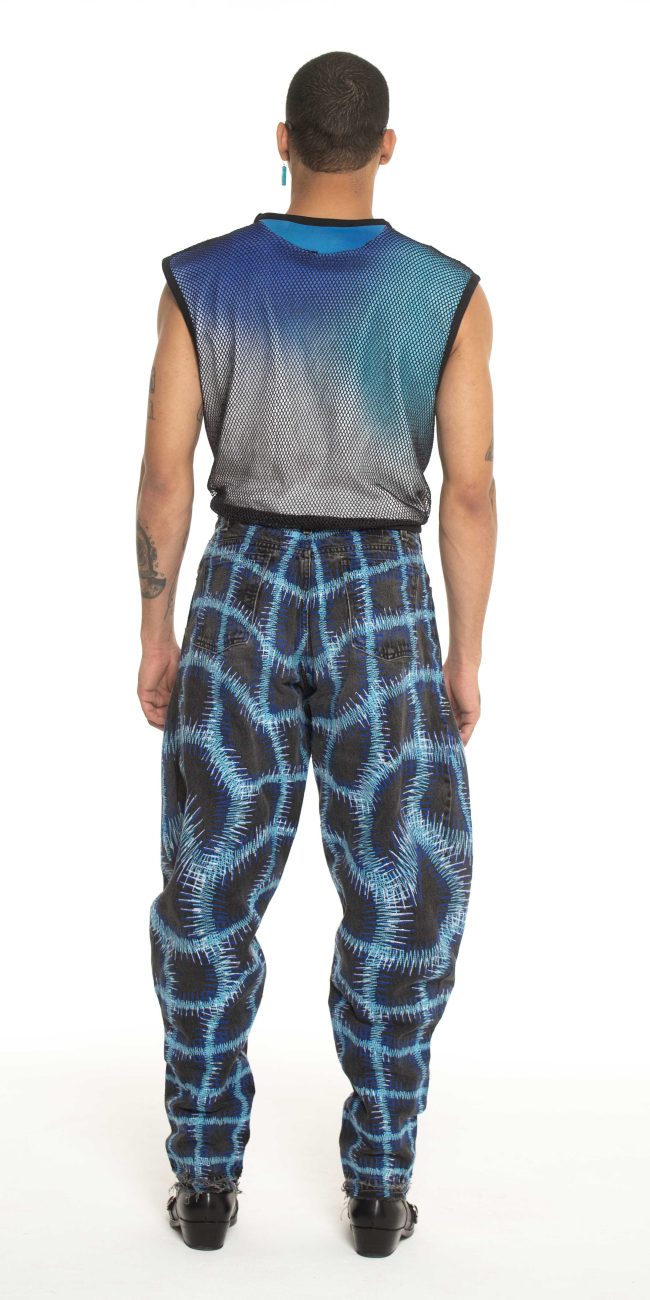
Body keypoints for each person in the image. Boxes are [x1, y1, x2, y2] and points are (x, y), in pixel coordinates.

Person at [136, 49, 496, 1257]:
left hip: (242, 585)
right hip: (381, 600)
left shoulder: (200, 283)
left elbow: (165, 475)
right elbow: (468, 492)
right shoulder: (446, 294)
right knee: (403, 889)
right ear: (384, 148)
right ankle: (380, 1183)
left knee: (206, 881)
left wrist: (155, 627)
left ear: (281, 140)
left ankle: (203, 1177)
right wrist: (462, 655)